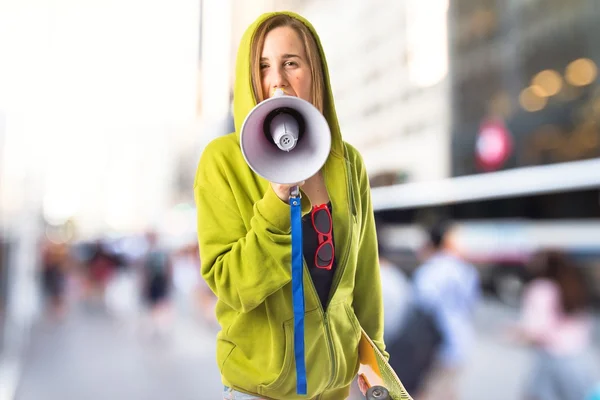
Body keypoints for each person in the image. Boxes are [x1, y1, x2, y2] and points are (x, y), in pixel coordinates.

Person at [194, 11, 386, 400]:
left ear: (315, 71)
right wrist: (278, 199)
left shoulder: (347, 163)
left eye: (291, 63)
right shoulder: (223, 161)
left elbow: (364, 280)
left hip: (334, 392)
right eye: (263, 66)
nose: (277, 79)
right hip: (261, 391)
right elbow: (233, 284)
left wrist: (375, 368)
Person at [508, 250, 597, 400]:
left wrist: (514, 333)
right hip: (578, 359)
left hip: (551, 360)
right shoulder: (574, 285)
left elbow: (535, 330)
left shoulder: (541, 288)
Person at [408, 221, 480, 400]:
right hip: (461, 340)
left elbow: (421, 308)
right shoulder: (465, 269)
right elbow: (472, 304)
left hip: (437, 345)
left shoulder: (429, 271)